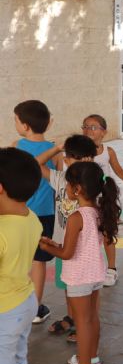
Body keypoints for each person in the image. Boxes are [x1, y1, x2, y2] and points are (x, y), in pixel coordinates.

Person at [39, 162, 121, 364]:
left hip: (79, 277)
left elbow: (66, 253)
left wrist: (47, 247)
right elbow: (79, 246)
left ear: (77, 189)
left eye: (67, 183)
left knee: (82, 321)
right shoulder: (98, 211)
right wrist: (55, 244)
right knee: (92, 318)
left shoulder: (77, 217)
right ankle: (91, 358)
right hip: (95, 273)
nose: (65, 187)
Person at [35, 135, 98, 340]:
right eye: (67, 158)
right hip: (63, 244)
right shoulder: (62, 179)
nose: (68, 163)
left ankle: (83, 326)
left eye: (73, 159)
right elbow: (35, 164)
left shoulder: (94, 183)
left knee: (84, 290)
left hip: (84, 250)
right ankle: (73, 319)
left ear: (89, 160)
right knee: (68, 285)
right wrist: (58, 148)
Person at [0, 148, 42, 364]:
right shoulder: (32, 218)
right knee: (18, 362)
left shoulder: (2, 230)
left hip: (4, 310)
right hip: (25, 302)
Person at [13, 99, 61, 324]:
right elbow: (59, 183)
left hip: (17, 213)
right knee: (38, 261)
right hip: (45, 213)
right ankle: (36, 307)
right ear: (47, 124)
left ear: (25, 126)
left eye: (16, 120)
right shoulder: (54, 151)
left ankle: (18, 301)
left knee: (19, 258)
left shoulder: (17, 146)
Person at [82, 114, 123, 287]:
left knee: (109, 234)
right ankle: (90, 266)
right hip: (86, 202)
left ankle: (111, 269)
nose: (88, 130)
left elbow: (118, 170)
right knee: (88, 235)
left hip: (105, 200)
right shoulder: (80, 153)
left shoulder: (108, 151)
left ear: (104, 132)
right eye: (85, 126)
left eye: (93, 127)